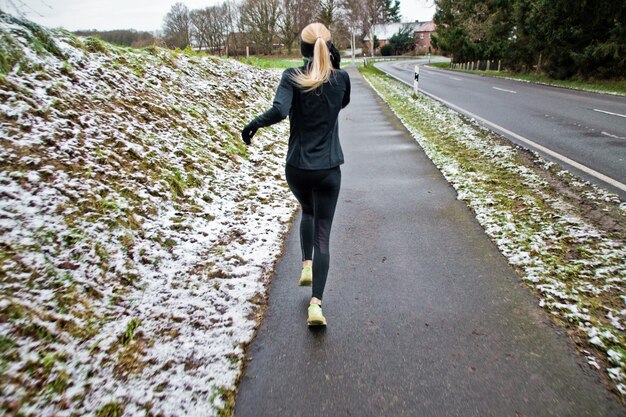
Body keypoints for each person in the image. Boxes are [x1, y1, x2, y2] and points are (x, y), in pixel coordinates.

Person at [241, 22, 350, 326]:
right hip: (329, 170)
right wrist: (334, 66)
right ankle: (315, 305)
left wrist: (253, 124)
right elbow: (341, 102)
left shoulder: (291, 76)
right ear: (329, 48)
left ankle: (306, 265)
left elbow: (278, 111)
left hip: (298, 168)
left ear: (303, 49)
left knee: (307, 211)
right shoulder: (342, 79)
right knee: (324, 236)